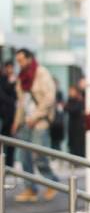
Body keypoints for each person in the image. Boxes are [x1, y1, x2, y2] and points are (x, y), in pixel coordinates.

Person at [11, 49, 59, 202]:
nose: (19, 63)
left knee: (40, 156)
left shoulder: (41, 73)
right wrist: (16, 122)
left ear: (29, 58)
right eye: (17, 60)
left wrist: (36, 116)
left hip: (40, 121)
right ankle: (30, 188)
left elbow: (49, 97)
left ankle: (53, 183)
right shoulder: (21, 78)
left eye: (21, 60)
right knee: (24, 157)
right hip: (25, 122)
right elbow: (21, 103)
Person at [0, 63, 17, 167]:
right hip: (3, 116)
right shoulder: (3, 80)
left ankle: (9, 165)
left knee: (10, 142)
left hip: (11, 117)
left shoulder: (15, 79)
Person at [64, 84, 85, 157]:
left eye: (72, 91)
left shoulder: (80, 100)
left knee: (78, 144)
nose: (70, 93)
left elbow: (74, 110)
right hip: (71, 126)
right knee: (72, 143)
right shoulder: (70, 100)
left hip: (79, 127)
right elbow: (66, 108)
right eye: (70, 91)